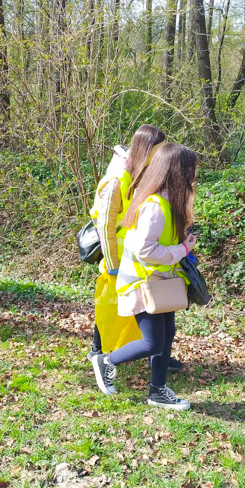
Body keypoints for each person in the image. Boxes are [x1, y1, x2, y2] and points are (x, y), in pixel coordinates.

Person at [90, 143, 198, 410]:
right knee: (152, 342)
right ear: (177, 172)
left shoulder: (168, 201)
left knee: (167, 334)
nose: (194, 177)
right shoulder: (156, 205)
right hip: (142, 282)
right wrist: (182, 249)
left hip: (160, 281)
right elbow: (144, 250)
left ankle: (158, 392)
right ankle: (106, 361)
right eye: (190, 171)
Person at [87, 125, 184, 372]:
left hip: (138, 258)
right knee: (110, 305)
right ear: (148, 149)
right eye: (160, 149)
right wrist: (112, 262)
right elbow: (105, 225)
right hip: (120, 257)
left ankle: (156, 355)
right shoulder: (118, 179)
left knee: (146, 311)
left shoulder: (142, 172)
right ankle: (99, 352)